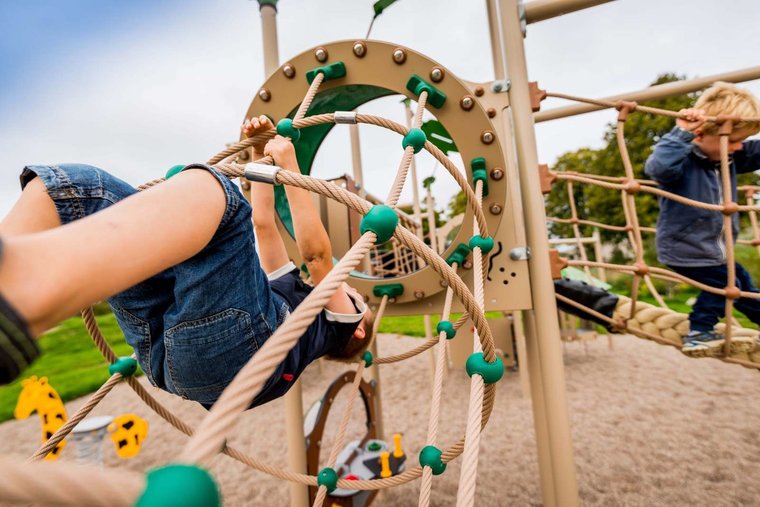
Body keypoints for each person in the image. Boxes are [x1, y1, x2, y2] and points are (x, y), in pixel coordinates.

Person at [0, 116, 374, 407]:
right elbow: (265, 226)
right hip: (175, 357)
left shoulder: (343, 323)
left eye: (361, 302)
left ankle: (17, 298)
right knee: (83, 188)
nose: (355, 293)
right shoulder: (290, 291)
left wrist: (290, 163)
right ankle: (10, 272)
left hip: (238, 358)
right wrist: (264, 161)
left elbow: (319, 257)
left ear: (358, 328)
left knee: (215, 193)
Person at [644, 82, 760, 356]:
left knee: (742, 286)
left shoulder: (727, 156)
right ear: (700, 133)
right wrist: (681, 131)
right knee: (724, 285)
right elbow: (656, 167)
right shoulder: (681, 162)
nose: (737, 146)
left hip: (716, 251)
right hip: (686, 248)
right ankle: (698, 331)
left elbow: (754, 149)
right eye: (732, 140)